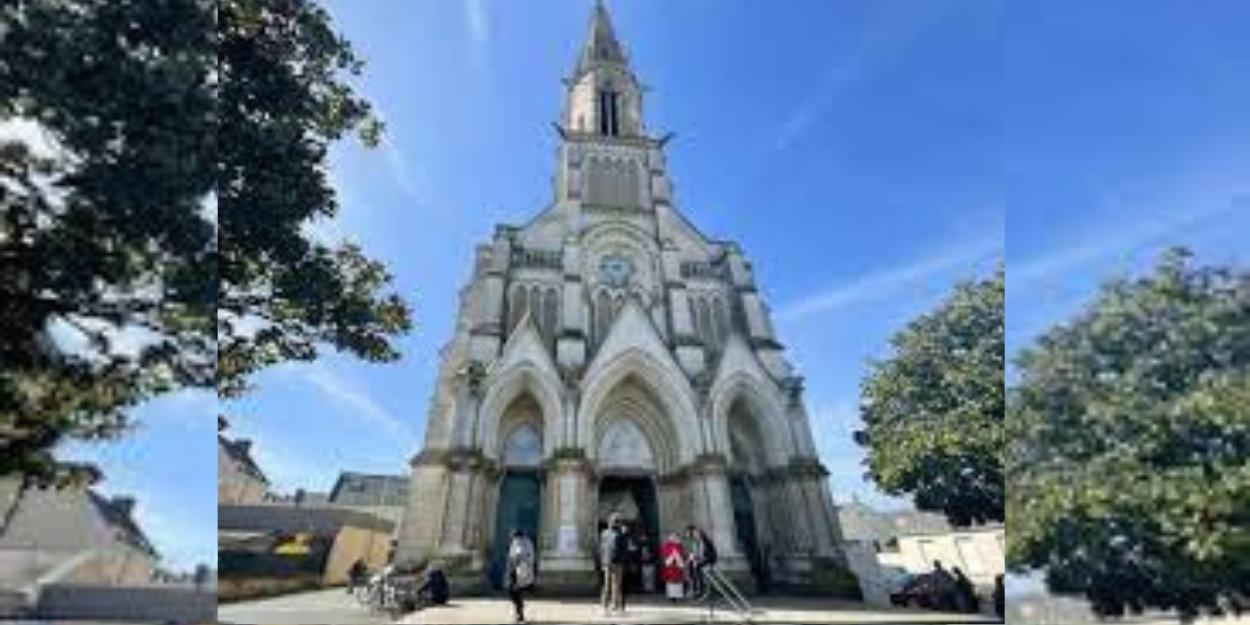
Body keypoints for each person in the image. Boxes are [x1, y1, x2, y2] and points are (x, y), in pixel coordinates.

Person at [599, 514, 628, 615]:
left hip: (610, 562)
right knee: (614, 585)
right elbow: (625, 549)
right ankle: (611, 606)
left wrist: (603, 562)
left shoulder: (605, 533)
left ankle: (608, 607)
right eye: (618, 521)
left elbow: (602, 549)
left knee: (610, 585)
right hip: (615, 563)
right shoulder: (620, 533)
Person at [506, 529, 536, 623]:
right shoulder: (514, 543)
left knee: (516, 591)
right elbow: (511, 557)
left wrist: (518, 559)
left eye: (515, 536)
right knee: (512, 591)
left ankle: (519, 613)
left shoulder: (527, 543)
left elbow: (523, 556)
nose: (514, 539)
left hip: (522, 571)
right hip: (514, 570)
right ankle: (519, 608)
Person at [686, 525, 718, 600]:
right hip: (702, 558)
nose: (688, 535)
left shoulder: (702, 539)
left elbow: (703, 552)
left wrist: (696, 559)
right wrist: (692, 558)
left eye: (689, 533)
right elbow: (695, 552)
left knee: (697, 567)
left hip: (709, 558)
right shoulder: (695, 540)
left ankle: (701, 590)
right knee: (690, 566)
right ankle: (694, 588)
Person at [660, 532, 687, 602]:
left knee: (678, 582)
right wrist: (672, 556)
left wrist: (679, 558)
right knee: (671, 582)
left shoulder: (680, 546)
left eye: (675, 537)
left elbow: (683, 554)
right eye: (672, 536)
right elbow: (664, 555)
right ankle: (671, 596)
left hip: (677, 566)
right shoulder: (666, 545)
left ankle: (678, 596)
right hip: (670, 566)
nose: (673, 538)